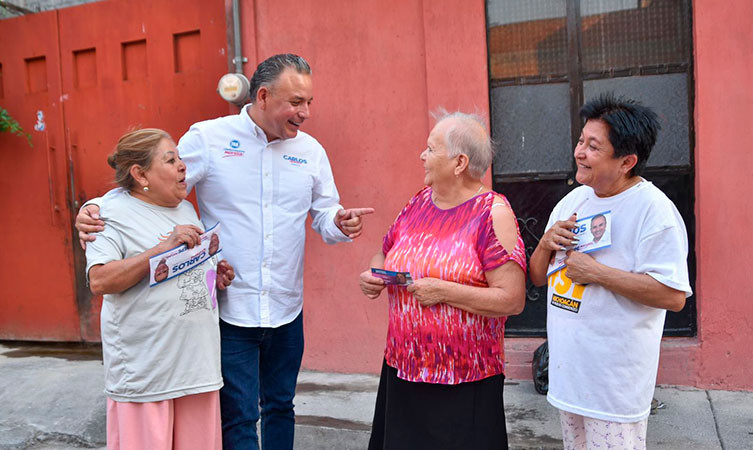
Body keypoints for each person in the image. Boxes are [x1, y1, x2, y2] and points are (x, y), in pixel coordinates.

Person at [75, 54, 373, 450]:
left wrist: (338, 221)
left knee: (281, 407)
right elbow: (153, 182)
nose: (305, 112)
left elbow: (324, 211)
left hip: (286, 308)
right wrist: (96, 207)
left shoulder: (311, 151)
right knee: (239, 417)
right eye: (296, 102)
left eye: (309, 102)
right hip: (232, 311)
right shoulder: (208, 138)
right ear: (263, 96)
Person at [529, 94, 692, 450]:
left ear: (626, 162)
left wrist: (597, 273)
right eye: (580, 141)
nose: (579, 152)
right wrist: (545, 244)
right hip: (569, 377)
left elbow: (673, 296)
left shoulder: (654, 211)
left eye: (593, 146)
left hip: (613, 386)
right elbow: (538, 277)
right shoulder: (573, 201)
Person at [358, 111, 527, 449]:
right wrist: (374, 275)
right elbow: (384, 254)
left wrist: (444, 292)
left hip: (463, 380)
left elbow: (512, 299)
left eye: (431, 149)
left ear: (459, 162)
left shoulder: (492, 213)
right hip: (403, 369)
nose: (422, 155)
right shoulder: (418, 203)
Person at [85, 128, 234, 450]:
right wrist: (161, 250)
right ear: (140, 174)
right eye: (170, 160)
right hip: (148, 376)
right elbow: (100, 280)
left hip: (198, 370)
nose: (182, 166)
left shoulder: (186, 209)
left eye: (179, 158)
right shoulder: (108, 216)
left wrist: (214, 275)